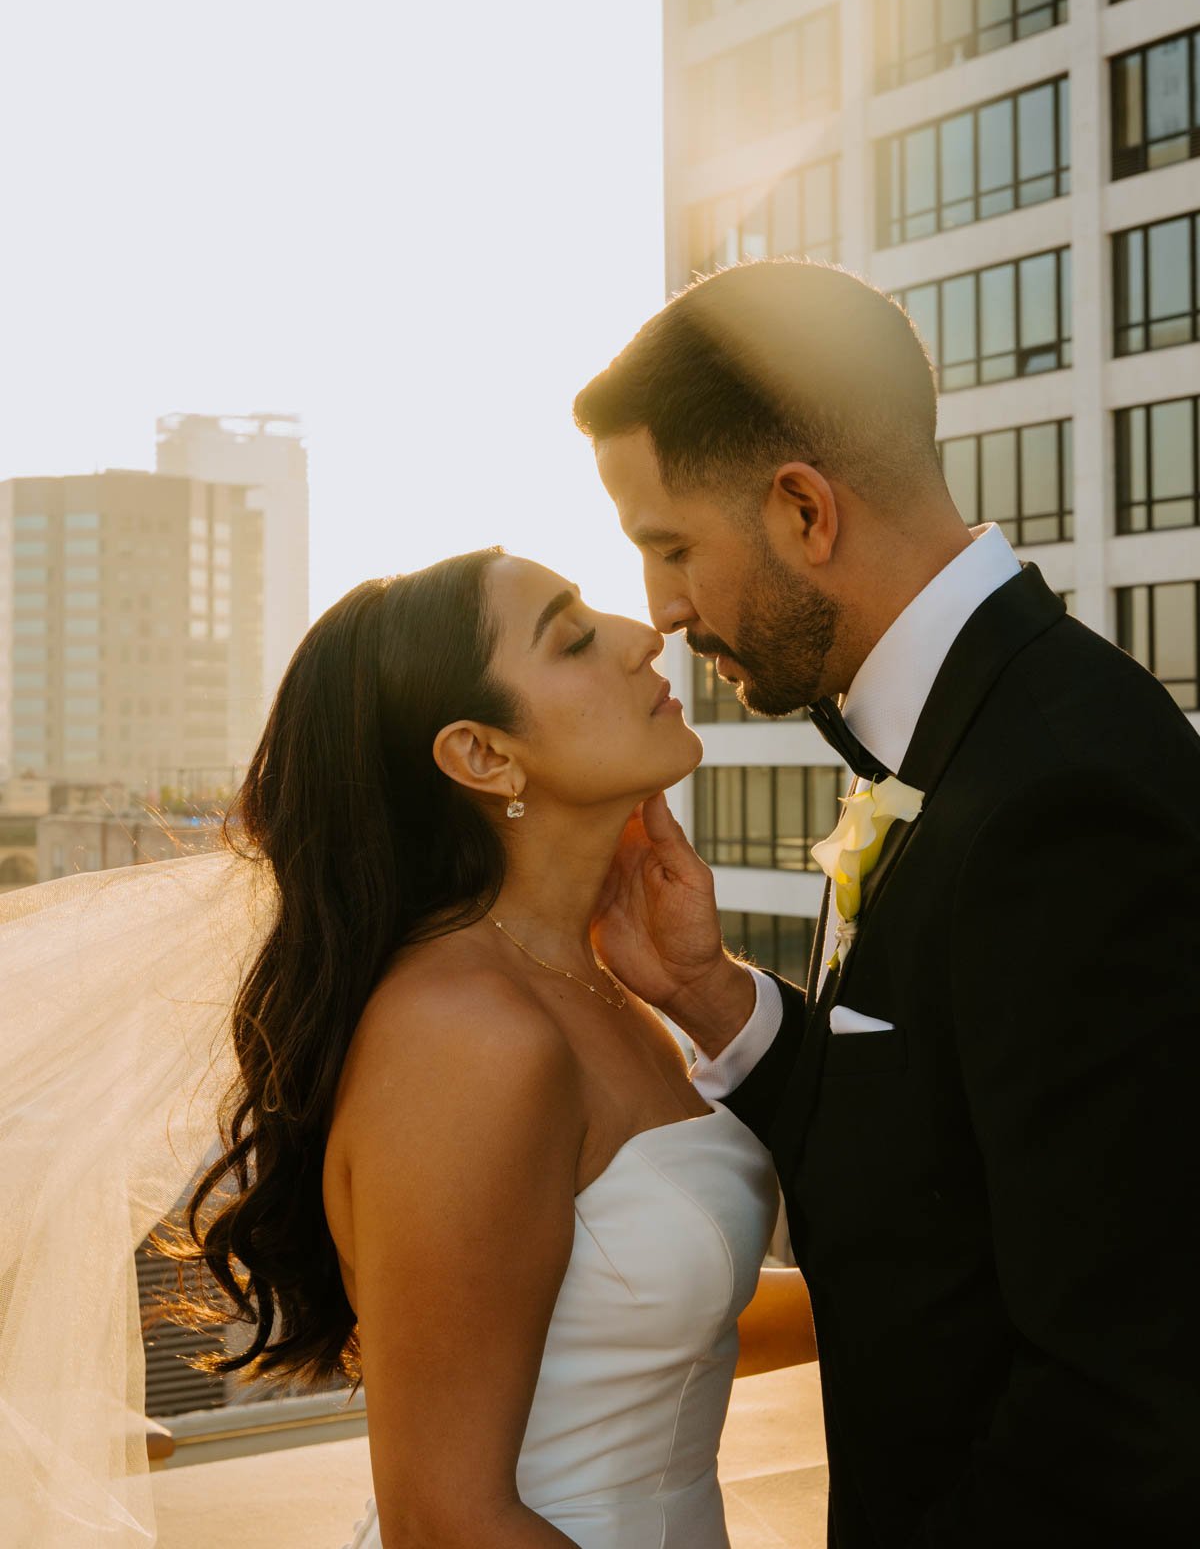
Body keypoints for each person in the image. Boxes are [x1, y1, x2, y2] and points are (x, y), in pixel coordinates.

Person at [0, 545, 817, 1549]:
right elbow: (445, 1521)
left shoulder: (601, 982)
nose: (646, 635)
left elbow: (639, 1322)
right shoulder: (464, 1036)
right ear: (483, 755)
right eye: (573, 637)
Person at [576, 258, 1200, 1549]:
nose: (664, 609)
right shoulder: (960, 736)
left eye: (670, 546)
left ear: (805, 511)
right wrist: (709, 993)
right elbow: (928, 1148)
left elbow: (1121, 1399)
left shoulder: (1064, 795)